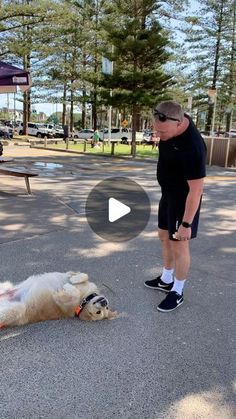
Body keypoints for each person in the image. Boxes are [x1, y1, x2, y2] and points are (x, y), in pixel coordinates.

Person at [144, 100, 206, 312]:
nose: (159, 136)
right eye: (157, 130)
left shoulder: (193, 146)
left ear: (179, 124)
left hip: (184, 200)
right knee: (164, 236)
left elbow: (196, 190)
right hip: (167, 194)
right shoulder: (169, 123)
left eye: (163, 132)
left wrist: (187, 223)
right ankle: (166, 278)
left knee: (179, 244)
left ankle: (177, 291)